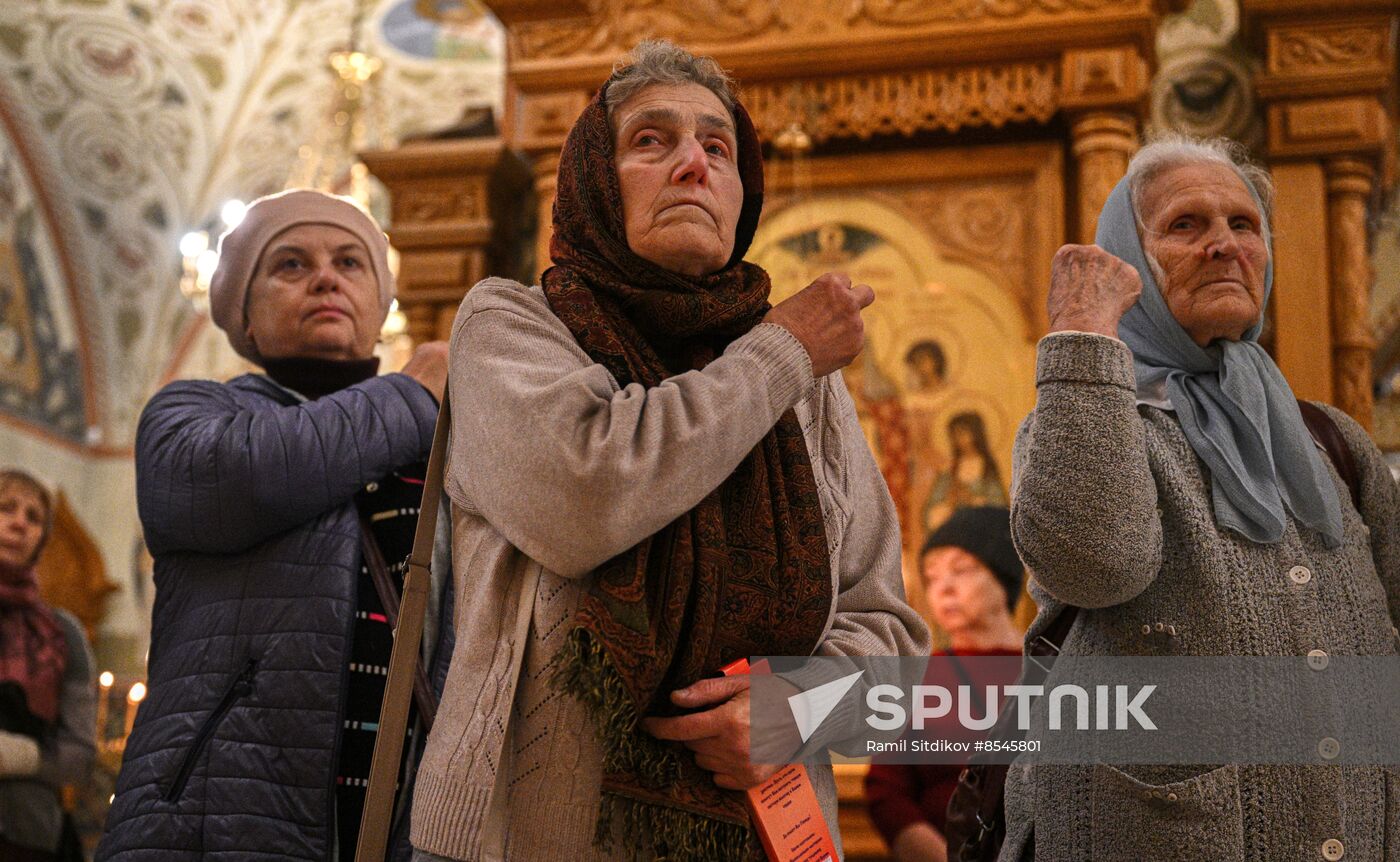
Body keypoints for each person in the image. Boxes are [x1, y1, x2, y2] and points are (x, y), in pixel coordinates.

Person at [408, 40, 929, 862]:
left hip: (762, 837)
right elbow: (585, 496)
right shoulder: (510, 324)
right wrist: (782, 352)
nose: (693, 164)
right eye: (652, 141)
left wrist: (799, 707)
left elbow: (892, 645)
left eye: (717, 147)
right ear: (592, 181)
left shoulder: (809, 386)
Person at [1004, 135, 1400, 860]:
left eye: (1243, 225)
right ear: (1128, 257)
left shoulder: (1328, 439)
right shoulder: (1088, 412)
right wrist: (1086, 334)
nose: (1224, 245)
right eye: (1187, 225)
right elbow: (1095, 565)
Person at [98, 189, 453, 861]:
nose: (325, 277)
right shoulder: (192, 414)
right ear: (245, 318)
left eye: (351, 263)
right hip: (211, 823)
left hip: (399, 824)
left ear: (381, 310)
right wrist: (413, 392)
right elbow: (243, 478)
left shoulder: (439, 450)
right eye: (290, 265)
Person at [864, 505, 1022, 862]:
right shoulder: (918, 677)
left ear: (1004, 579)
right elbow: (886, 792)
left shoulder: (1054, 670)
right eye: (932, 577)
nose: (944, 588)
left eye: (962, 570)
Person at [0, 469, 95, 861]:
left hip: (27, 838)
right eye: (6, 507)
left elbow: (79, 755)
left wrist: (17, 755)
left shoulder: (63, 633)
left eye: (33, 517)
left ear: (41, 540)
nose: (19, 521)